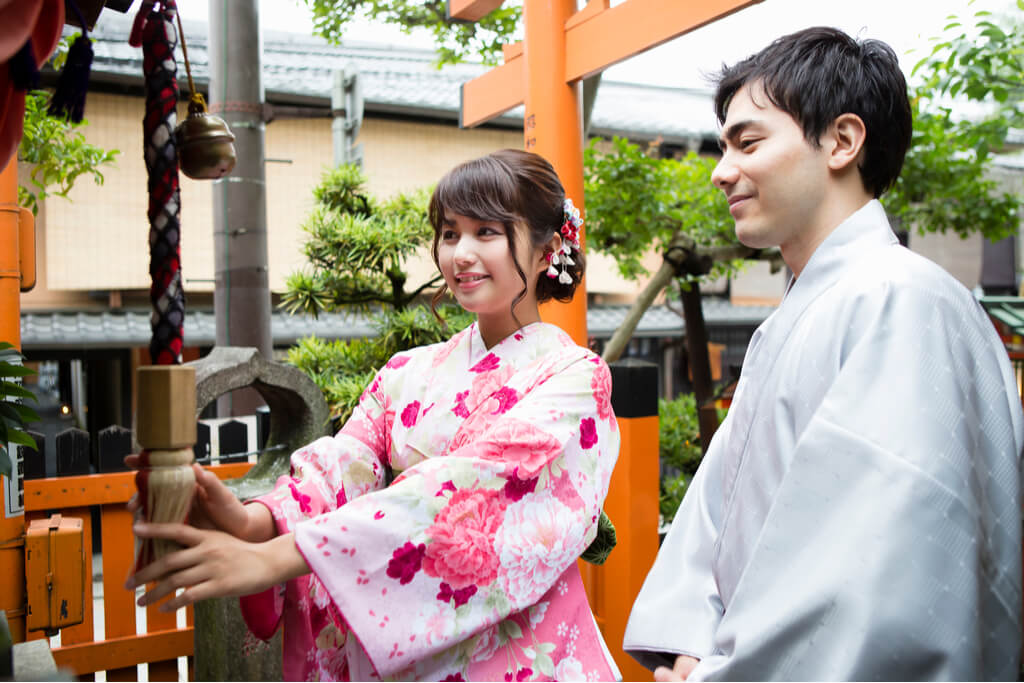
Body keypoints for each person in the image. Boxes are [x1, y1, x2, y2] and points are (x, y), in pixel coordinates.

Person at [127, 149, 622, 682]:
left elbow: (462, 496)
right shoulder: (408, 372)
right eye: (450, 233)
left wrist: (275, 559)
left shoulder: (574, 378)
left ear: (547, 251)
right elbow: (345, 466)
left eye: (486, 232)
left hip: (527, 656)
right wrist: (252, 520)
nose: (460, 254)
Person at [624, 26, 1024, 681]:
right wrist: (694, 646)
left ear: (841, 140)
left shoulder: (903, 299)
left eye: (748, 141)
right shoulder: (797, 319)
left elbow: (877, 568)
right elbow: (715, 524)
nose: (722, 171)